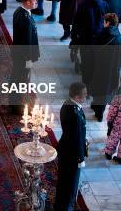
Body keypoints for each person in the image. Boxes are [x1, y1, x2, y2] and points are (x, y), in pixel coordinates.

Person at [54, 82, 87, 211]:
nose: (86, 96)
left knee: (63, 182)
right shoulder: (74, 113)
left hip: (66, 149)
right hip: (72, 155)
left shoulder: (68, 104)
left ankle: (59, 206)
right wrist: (80, 158)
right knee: (70, 185)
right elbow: (76, 138)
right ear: (78, 97)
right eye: (84, 94)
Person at [71, 0, 107, 100]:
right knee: (94, 64)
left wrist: (75, 36)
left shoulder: (84, 4)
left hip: (86, 38)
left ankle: (86, 90)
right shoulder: (102, 2)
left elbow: (77, 22)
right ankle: (92, 88)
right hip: (98, 39)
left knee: (86, 65)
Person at [10, 0, 40, 114]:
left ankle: (14, 103)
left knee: (16, 78)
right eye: (35, 0)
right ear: (28, 2)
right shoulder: (26, 19)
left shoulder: (19, 11)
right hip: (23, 57)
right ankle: (17, 106)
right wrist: (28, 59)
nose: (36, 2)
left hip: (18, 54)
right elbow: (26, 42)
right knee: (21, 81)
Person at [92, 13, 121, 122]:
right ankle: (100, 112)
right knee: (106, 91)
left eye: (104, 21)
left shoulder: (102, 35)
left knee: (97, 87)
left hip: (100, 67)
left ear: (108, 22)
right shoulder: (119, 36)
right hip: (114, 69)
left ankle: (97, 110)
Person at [105, 85, 121, 163]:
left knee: (114, 137)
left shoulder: (118, 97)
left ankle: (108, 153)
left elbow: (113, 110)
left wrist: (109, 120)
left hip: (118, 123)